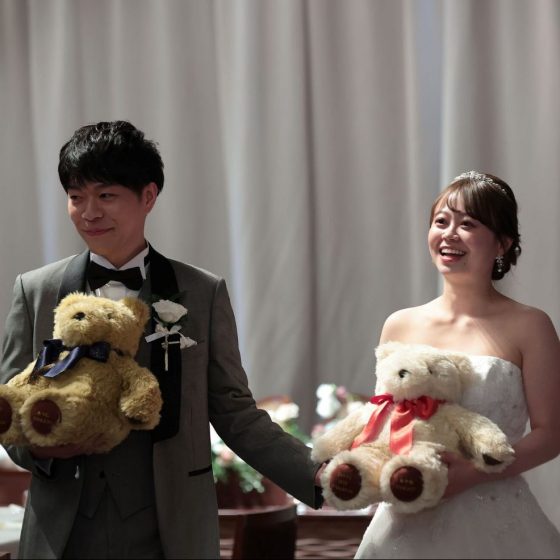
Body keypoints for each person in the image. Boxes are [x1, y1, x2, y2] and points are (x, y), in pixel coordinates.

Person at [0, 120, 323, 559]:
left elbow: (235, 414)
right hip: (62, 533)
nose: (89, 212)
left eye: (106, 196)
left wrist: (319, 474)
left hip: (170, 531)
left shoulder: (202, 293)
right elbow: (9, 411)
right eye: (76, 197)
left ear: (148, 196)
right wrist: (45, 447)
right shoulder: (35, 291)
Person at [355, 171, 560, 559]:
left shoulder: (531, 325)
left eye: (468, 224)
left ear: (502, 243)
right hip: (406, 516)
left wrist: (473, 474)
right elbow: (382, 420)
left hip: (496, 517)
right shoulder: (399, 324)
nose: (449, 234)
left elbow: (551, 434)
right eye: (441, 221)